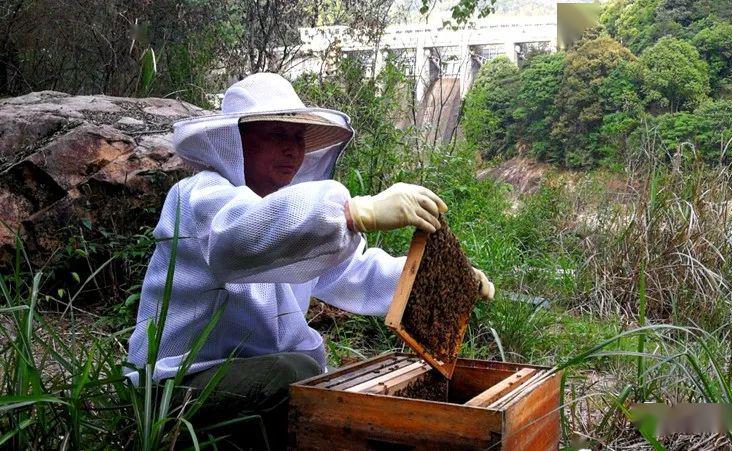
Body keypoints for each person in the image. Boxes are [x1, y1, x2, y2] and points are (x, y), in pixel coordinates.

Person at [126, 73, 494, 448]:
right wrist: (353, 212)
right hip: (174, 388)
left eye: (298, 138)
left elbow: (355, 272)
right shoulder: (199, 196)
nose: (292, 150)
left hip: (248, 381)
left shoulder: (290, 218)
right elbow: (240, 236)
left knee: (314, 380)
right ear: (235, 141)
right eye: (277, 135)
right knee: (296, 373)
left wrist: (437, 279)